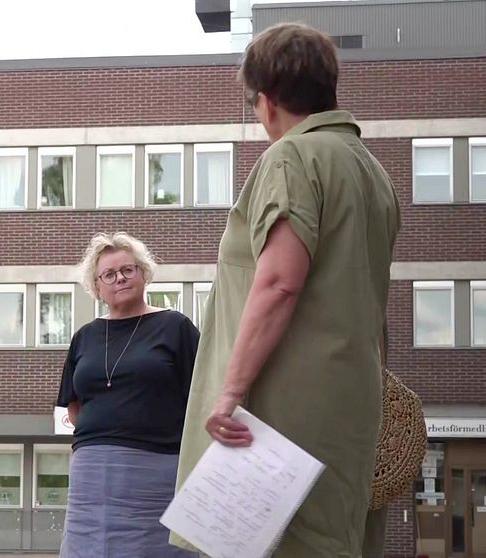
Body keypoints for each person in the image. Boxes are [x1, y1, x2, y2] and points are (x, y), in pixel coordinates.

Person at [172, 23, 400, 557]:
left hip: (278, 413)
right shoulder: (371, 171)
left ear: (267, 102)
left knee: (269, 546)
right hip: (349, 402)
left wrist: (228, 394)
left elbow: (277, 282)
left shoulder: (292, 158)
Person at [56, 232, 199, 558]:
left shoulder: (175, 327)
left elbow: (203, 394)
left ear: (143, 273)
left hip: (156, 470)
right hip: (90, 473)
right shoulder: (85, 337)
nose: (119, 278)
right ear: (97, 286)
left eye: (127, 270)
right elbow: (74, 404)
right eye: (109, 274)